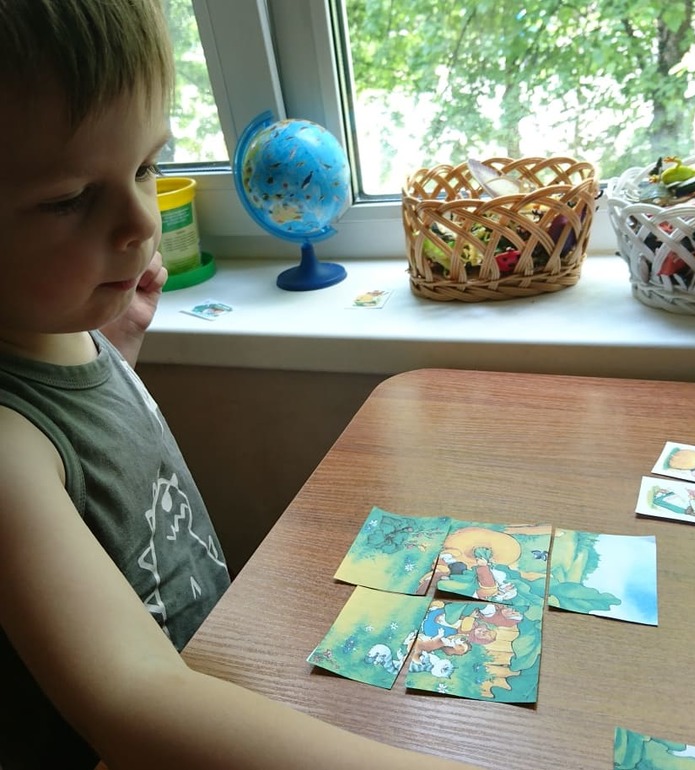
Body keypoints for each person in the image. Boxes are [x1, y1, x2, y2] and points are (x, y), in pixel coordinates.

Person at [0, 3, 481, 769]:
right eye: (68, 198)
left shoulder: (58, 332)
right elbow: (134, 701)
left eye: (145, 167)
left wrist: (117, 353)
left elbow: (92, 476)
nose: (141, 221)